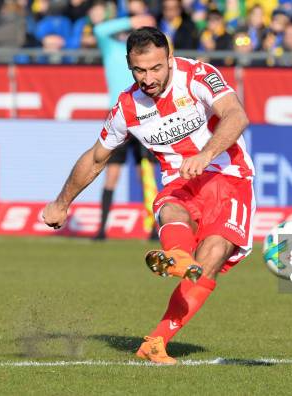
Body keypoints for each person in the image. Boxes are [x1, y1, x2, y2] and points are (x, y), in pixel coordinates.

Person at [42, 26, 255, 365]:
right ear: (130, 67)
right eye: (139, 70)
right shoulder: (127, 106)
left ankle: (155, 342)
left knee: (213, 256)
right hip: (178, 180)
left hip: (229, 176)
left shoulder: (197, 75)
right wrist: (61, 203)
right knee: (171, 208)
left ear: (169, 58)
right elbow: (97, 157)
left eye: (156, 67)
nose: (149, 77)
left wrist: (205, 154)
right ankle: (179, 257)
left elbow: (236, 115)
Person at [91, 11, 160, 240]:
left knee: (146, 173)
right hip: (118, 115)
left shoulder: (144, 57)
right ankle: (102, 228)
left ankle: (153, 227)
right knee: (111, 172)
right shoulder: (112, 48)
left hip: (144, 115)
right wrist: (133, 20)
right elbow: (100, 30)